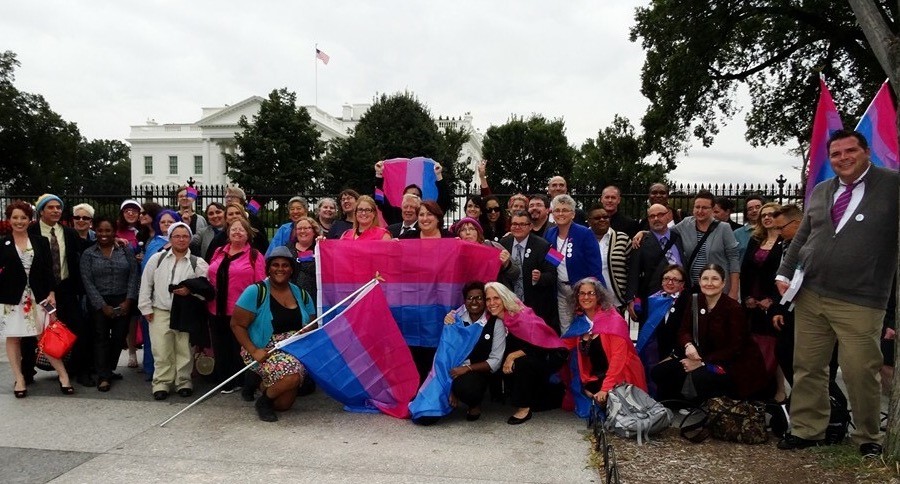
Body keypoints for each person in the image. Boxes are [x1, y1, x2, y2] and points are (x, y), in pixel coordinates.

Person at [775, 130, 899, 457]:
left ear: (866, 152)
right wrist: (784, 272)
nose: (842, 158)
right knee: (808, 367)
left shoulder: (891, 185)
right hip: (810, 294)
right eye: (836, 153)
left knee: (860, 370)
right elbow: (802, 236)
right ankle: (806, 430)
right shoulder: (820, 190)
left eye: (850, 151)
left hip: (862, 300)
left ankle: (867, 437)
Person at [651, 264, 767, 404]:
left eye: (715, 279)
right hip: (700, 356)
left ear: (723, 283)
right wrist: (688, 345)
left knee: (700, 377)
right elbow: (684, 331)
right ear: (699, 281)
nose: (709, 283)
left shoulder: (733, 308)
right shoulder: (695, 301)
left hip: (731, 364)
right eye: (705, 279)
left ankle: (714, 409)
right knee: (659, 371)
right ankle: (679, 406)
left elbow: (735, 348)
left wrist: (702, 362)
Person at [231, 246, 317, 422]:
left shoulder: (301, 294)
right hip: (263, 349)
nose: (280, 269)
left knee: (283, 405)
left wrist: (309, 328)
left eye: (285, 265)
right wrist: (254, 351)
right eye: (275, 265)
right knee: (292, 376)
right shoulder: (255, 291)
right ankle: (263, 402)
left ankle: (260, 383)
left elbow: (313, 323)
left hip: (293, 349)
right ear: (268, 268)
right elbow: (237, 324)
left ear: (292, 269)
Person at [0, 200, 73, 397]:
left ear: (29, 219)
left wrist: (51, 292)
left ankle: (63, 375)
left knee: (44, 337)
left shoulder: (40, 241)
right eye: (15, 217)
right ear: (9, 220)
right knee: (13, 338)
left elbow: (48, 270)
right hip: (12, 299)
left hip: (38, 297)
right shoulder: (2, 243)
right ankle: (20, 379)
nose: (19, 221)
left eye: (23, 217)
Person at [138, 222, 210, 400]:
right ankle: (161, 382)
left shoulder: (197, 263)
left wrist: (190, 290)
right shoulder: (158, 259)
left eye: (185, 236)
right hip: (160, 310)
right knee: (161, 349)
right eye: (177, 236)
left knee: (184, 348)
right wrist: (146, 307)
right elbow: (146, 284)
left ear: (190, 239)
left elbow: (206, 289)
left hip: (186, 313)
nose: (181, 239)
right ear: (170, 238)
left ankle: (183, 381)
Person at [484, 282, 567, 424]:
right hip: (533, 354)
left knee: (521, 363)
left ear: (504, 298)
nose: (491, 303)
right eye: (488, 299)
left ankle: (524, 408)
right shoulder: (499, 317)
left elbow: (539, 347)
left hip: (548, 356)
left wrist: (512, 356)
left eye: (496, 298)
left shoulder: (521, 317)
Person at [27, 194, 89, 386]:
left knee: (80, 328)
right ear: (41, 211)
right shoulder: (31, 231)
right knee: (32, 333)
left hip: (66, 288)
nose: (55, 211)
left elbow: (86, 247)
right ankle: (26, 371)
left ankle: (79, 370)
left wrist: (114, 241)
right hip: (39, 290)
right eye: (50, 207)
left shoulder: (68, 232)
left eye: (58, 207)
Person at [427, 281, 507, 423]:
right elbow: (445, 356)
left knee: (469, 388)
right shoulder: (455, 319)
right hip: (452, 372)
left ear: (484, 301)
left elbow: (495, 361)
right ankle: (450, 394)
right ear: (465, 301)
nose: (474, 302)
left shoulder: (496, 323)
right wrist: (449, 388)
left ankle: (474, 405)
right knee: (426, 418)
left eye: (479, 298)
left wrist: (467, 369)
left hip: (478, 371)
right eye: (470, 298)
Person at [563, 278, 646, 407]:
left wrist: (605, 388)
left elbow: (618, 359)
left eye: (591, 293)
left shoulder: (613, 320)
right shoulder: (580, 322)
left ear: (599, 296)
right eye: (582, 293)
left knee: (604, 403)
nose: (586, 297)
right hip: (596, 376)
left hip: (620, 375)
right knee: (585, 394)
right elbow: (564, 346)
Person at [80, 217, 139, 392]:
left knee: (120, 337)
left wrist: (129, 300)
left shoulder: (125, 250)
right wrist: (101, 305)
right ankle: (104, 376)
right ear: (95, 231)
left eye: (108, 231)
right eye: (100, 231)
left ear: (115, 232)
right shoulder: (88, 254)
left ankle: (108, 368)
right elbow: (87, 281)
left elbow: (133, 275)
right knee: (101, 338)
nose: (104, 234)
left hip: (123, 299)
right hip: (99, 302)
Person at [207, 217, 266, 393]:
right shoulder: (219, 251)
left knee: (238, 347)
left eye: (241, 230)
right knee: (220, 345)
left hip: (241, 310)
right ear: (228, 233)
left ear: (248, 234)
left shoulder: (255, 256)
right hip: (216, 307)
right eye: (233, 229)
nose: (237, 232)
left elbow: (261, 284)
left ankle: (242, 380)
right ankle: (225, 380)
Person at [740, 202, 783, 399]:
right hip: (752, 303)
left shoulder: (785, 242)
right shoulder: (755, 239)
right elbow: (745, 271)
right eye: (764, 215)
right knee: (754, 345)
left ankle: (779, 391)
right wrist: (747, 296)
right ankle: (757, 388)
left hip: (774, 303)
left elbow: (786, 275)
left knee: (774, 347)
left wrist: (772, 300)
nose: (767, 217)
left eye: (772, 214)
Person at [546, 195, 604, 335]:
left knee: (586, 327)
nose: (561, 214)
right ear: (552, 213)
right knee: (566, 330)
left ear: (573, 214)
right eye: (557, 210)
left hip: (583, 291)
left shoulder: (584, 233)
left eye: (565, 210)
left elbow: (595, 266)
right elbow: (550, 263)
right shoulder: (550, 234)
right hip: (561, 291)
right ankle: (570, 355)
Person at [499, 211, 559, 333]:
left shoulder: (547, 245)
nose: (517, 227)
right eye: (514, 224)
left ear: (530, 226)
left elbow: (553, 275)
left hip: (536, 305)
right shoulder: (503, 243)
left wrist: (540, 277)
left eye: (522, 224)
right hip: (510, 304)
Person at [628, 203, 686, 324]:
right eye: (652, 216)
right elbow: (633, 272)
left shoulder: (678, 237)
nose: (656, 219)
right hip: (653, 298)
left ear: (668, 216)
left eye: (660, 215)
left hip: (681, 298)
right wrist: (631, 299)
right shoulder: (640, 242)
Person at [374, 159, 452, 225]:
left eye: (415, 195)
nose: (412, 198)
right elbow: (380, 199)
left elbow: (444, 201)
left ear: (420, 201)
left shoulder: (426, 221)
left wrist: (438, 176)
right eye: (409, 195)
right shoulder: (394, 215)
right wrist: (379, 174)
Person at [586, 204, 632, 313]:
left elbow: (632, 270)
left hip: (616, 301)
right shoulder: (581, 239)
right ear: (589, 221)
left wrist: (630, 298)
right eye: (597, 218)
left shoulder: (623, 239)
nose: (602, 220)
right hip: (588, 301)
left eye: (605, 217)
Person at [452, 217, 515, 282]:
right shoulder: (456, 251)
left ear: (478, 232)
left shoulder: (493, 246)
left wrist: (507, 264)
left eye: (472, 229)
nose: (467, 232)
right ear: (459, 234)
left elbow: (516, 274)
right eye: (463, 230)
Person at [224, 186, 269, 252]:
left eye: (232, 197)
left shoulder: (254, 221)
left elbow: (263, 244)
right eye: (227, 197)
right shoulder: (223, 219)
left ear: (241, 200)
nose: (229, 199)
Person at [734, 195, 763, 261]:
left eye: (758, 207)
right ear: (746, 213)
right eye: (750, 209)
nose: (754, 210)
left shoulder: (771, 231)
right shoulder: (737, 234)